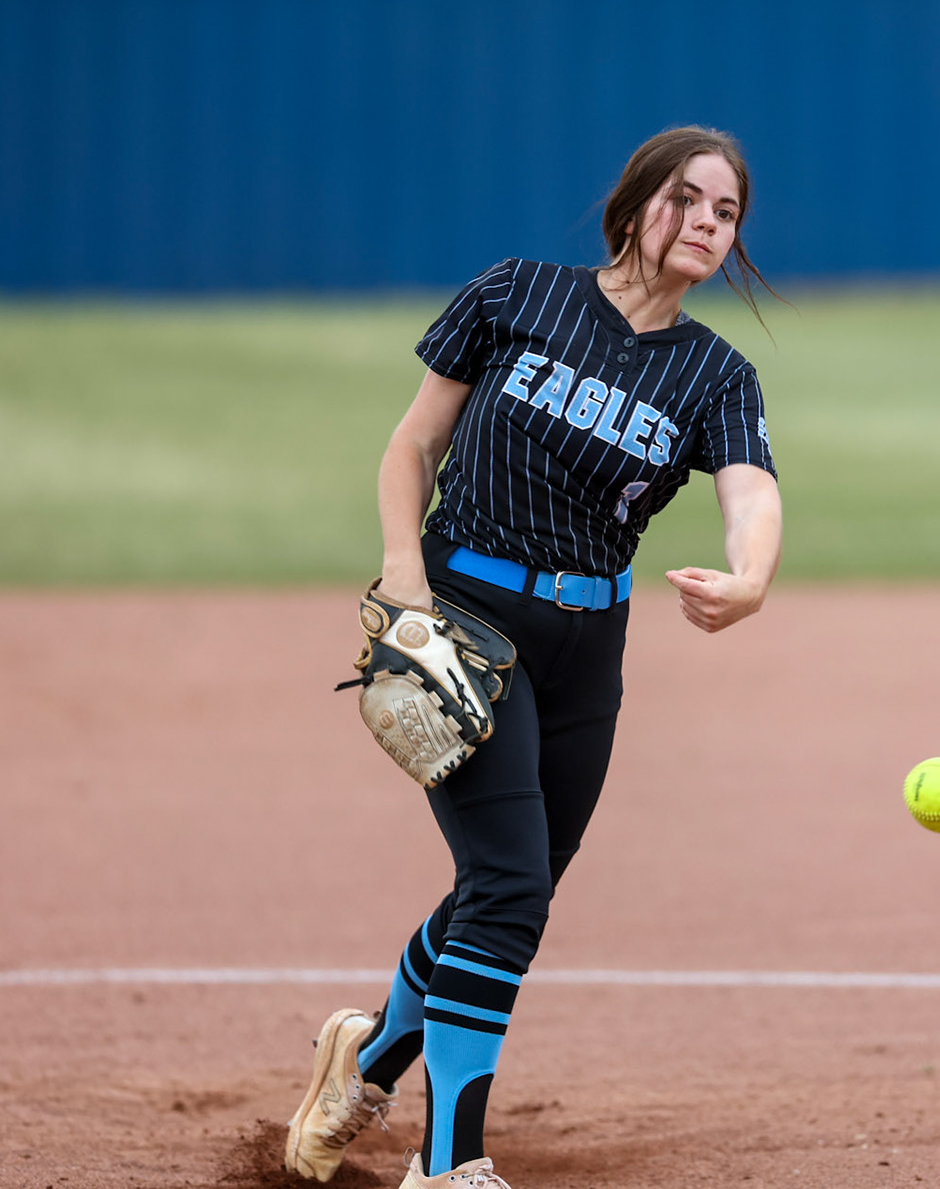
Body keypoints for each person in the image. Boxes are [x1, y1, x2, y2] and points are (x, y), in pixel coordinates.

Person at [283, 126, 782, 1189]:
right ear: (636, 204)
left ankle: (365, 1059)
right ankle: (449, 1161)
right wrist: (401, 575)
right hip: (467, 621)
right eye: (686, 198)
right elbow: (414, 442)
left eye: (725, 211)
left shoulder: (713, 373)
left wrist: (752, 574)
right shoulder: (518, 293)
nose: (703, 221)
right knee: (509, 888)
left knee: (511, 885)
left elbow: (751, 487)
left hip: (588, 652)